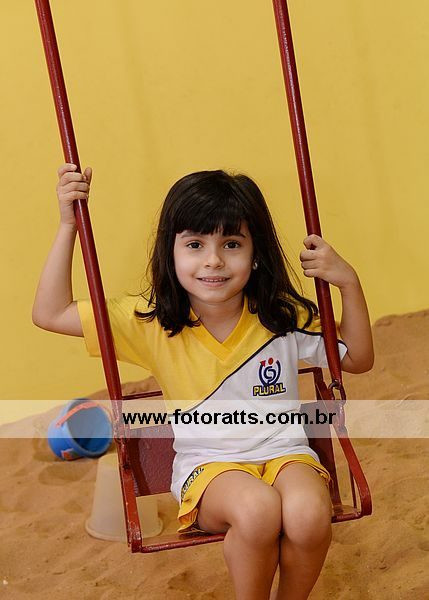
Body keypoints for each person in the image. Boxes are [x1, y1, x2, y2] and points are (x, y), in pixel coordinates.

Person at [32, 163, 374, 600]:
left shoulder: (281, 317)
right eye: (195, 244)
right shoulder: (153, 323)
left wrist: (348, 283)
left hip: (287, 455)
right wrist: (68, 225)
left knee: (309, 515)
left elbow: (357, 359)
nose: (213, 260)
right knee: (258, 509)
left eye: (231, 244)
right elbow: (50, 313)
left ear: (256, 253)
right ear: (171, 253)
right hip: (209, 469)